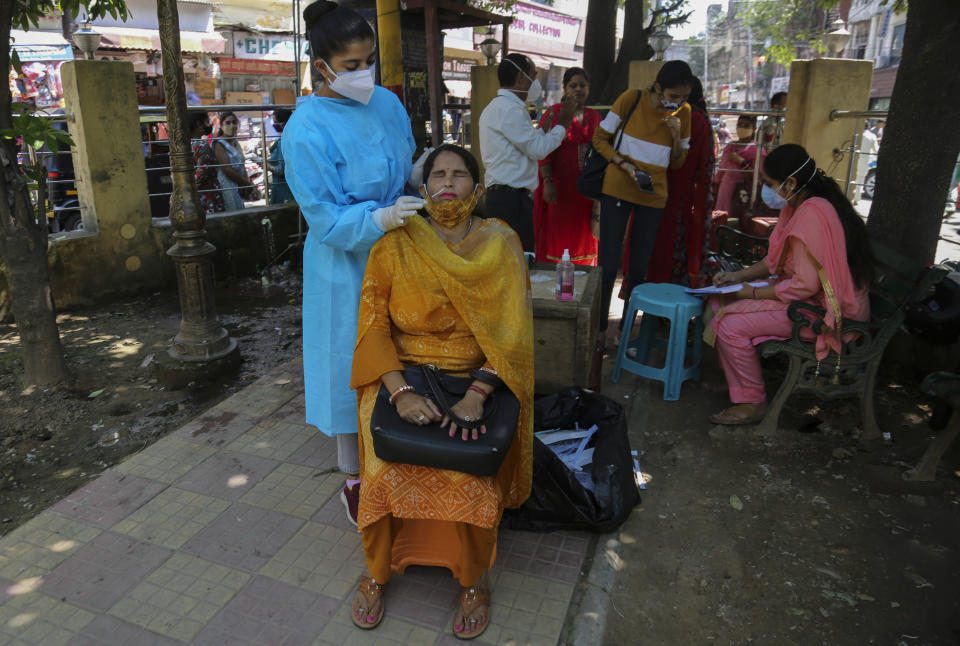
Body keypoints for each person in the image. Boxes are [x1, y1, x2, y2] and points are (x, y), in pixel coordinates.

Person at [350, 144, 533, 638]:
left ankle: (474, 580)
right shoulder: (394, 242)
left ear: (478, 186)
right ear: (423, 186)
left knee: (470, 474)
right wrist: (401, 392)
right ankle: (376, 570)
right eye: (438, 174)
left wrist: (477, 393)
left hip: (477, 376)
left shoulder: (502, 241)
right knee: (382, 468)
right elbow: (371, 328)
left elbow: (514, 334)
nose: (448, 183)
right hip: (401, 373)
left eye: (459, 174)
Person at [281, 0, 427, 527]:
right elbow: (327, 220)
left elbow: (405, 167)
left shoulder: (386, 104)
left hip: (400, 254)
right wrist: (382, 217)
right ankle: (355, 479)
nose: (363, 73)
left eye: (369, 61)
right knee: (352, 363)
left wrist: (429, 174)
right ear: (321, 66)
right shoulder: (305, 131)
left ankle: (404, 452)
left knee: (407, 354)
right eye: (351, 65)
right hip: (343, 267)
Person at [707, 144, 873, 424]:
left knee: (731, 324)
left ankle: (753, 402)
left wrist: (751, 292)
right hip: (807, 300)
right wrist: (737, 278)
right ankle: (739, 382)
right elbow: (775, 262)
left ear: (791, 182)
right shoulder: (798, 206)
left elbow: (804, 286)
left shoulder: (812, 214)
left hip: (828, 315)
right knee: (719, 301)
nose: (769, 191)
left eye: (771, 184)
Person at [592, 59, 693, 338]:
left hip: (653, 195)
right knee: (608, 262)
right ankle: (598, 328)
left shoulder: (684, 113)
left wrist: (675, 136)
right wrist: (624, 165)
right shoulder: (630, 99)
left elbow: (677, 164)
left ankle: (627, 332)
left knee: (638, 267)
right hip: (618, 187)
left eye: (684, 97)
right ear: (658, 87)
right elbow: (599, 139)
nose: (678, 102)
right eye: (673, 96)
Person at [478, 53, 576, 251]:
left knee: (512, 257)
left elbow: (522, 146)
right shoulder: (509, 109)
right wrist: (562, 126)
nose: (536, 82)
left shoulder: (499, 107)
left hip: (507, 197)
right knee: (519, 259)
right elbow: (537, 150)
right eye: (534, 75)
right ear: (521, 77)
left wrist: (542, 131)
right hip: (510, 200)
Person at [645, 76, 716, 286]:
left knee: (657, 248)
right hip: (681, 197)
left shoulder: (684, 117)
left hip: (661, 191)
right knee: (671, 248)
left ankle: (653, 305)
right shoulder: (699, 118)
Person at [533, 67, 601, 265]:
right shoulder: (554, 113)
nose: (578, 89)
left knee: (585, 235)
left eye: (582, 85)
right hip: (559, 187)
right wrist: (547, 182)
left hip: (586, 190)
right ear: (565, 89)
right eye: (573, 85)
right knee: (559, 236)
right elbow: (543, 150)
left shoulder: (594, 117)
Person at [715, 114, 762, 215]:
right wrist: (715, 187)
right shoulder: (730, 146)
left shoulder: (758, 150)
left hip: (743, 192)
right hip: (725, 189)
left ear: (754, 128)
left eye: (746, 126)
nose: (741, 128)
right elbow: (721, 170)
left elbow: (757, 178)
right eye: (739, 125)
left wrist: (742, 162)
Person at [214, 111, 255, 211]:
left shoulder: (235, 142)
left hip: (239, 183)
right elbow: (227, 169)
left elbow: (242, 164)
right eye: (228, 123)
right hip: (227, 184)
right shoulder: (219, 143)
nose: (232, 125)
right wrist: (245, 182)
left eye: (234, 122)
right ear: (221, 125)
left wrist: (246, 181)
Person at [188, 111, 225, 215]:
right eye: (207, 122)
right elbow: (201, 174)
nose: (209, 125)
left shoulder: (185, 145)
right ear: (198, 124)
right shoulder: (201, 146)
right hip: (206, 196)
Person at [267, 108, 293, 205]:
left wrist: (267, 166)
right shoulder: (288, 138)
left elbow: (281, 169)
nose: (275, 125)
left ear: (284, 123)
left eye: (276, 122)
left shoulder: (283, 142)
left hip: (282, 189)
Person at [853, 123, 878, 206]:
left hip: (855, 158)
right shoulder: (872, 136)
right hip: (864, 160)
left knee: (852, 177)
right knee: (860, 179)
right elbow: (876, 150)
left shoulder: (857, 134)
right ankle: (856, 199)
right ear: (869, 127)